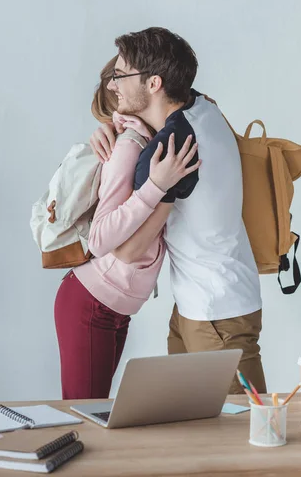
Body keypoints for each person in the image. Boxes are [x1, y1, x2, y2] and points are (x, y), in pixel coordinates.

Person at [90, 27, 267, 394]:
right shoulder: (202, 106)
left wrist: (144, 168)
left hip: (217, 314)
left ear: (154, 83)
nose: (112, 85)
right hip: (200, 306)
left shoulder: (173, 150)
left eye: (120, 75)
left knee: (243, 436)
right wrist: (116, 124)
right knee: (195, 432)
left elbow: (127, 250)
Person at [54, 56, 200, 400]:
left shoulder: (148, 140)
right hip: (91, 302)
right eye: (116, 80)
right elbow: (102, 238)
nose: (114, 85)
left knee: (96, 410)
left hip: (114, 307)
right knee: (85, 414)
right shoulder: (129, 145)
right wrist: (157, 185)